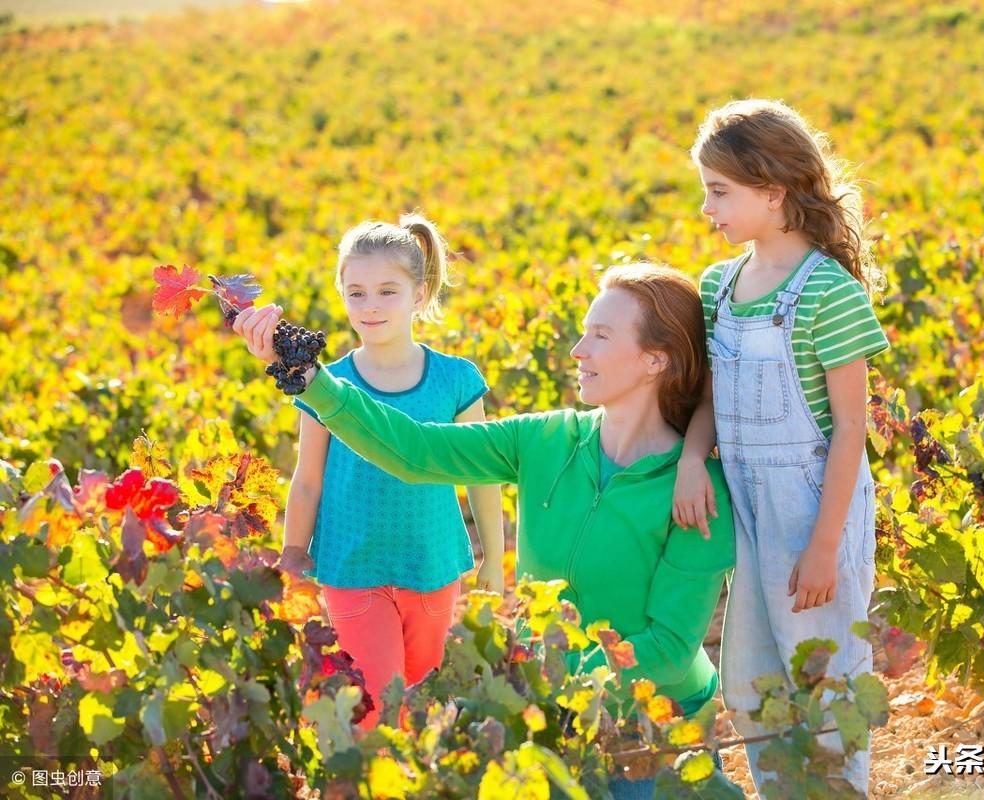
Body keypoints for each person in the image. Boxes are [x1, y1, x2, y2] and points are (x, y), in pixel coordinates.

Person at [235, 262, 736, 797]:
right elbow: (417, 451)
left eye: (601, 335)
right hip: (546, 705)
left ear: (655, 359)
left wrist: (532, 676)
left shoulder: (696, 494)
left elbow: (668, 651)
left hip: (654, 719)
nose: (577, 351)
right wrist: (311, 380)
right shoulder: (547, 439)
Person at [672, 98, 890, 794]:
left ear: (773, 190)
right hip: (748, 510)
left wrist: (825, 544)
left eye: (719, 191)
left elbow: (852, 429)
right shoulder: (718, 285)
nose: (707, 207)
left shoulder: (828, 291)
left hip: (812, 510)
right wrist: (688, 459)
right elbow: (711, 398)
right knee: (754, 682)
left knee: (825, 680)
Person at [280, 215, 504, 727]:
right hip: (351, 566)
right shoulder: (324, 384)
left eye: (387, 291)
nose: (371, 306)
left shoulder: (456, 379)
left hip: (433, 565)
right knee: (377, 708)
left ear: (419, 294)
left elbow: (482, 474)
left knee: (423, 711)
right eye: (356, 293)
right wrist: (293, 553)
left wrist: (493, 554)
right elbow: (308, 478)